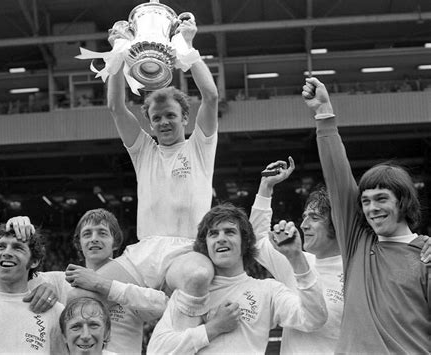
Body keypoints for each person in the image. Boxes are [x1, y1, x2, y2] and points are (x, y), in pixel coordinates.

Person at [78, 12, 219, 330]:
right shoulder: (144, 150)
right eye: (157, 118)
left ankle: (169, 325)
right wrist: (117, 54)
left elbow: (210, 96)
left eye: (170, 115)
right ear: (150, 123)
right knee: (81, 298)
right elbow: (116, 107)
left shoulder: (200, 146)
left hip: (184, 249)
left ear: (185, 117)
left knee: (197, 277)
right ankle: (150, 312)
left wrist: (187, 47)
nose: (164, 122)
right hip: (143, 253)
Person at [302, 77, 430, 354]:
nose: (372, 208)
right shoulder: (358, 243)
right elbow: (337, 176)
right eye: (366, 201)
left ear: (404, 202)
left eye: (382, 199)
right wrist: (324, 115)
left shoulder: (426, 257)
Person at [147, 203, 328, 354]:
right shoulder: (189, 291)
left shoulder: (268, 291)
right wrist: (213, 328)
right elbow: (156, 351)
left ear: (245, 242)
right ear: (206, 244)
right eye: (213, 234)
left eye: (230, 232)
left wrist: (296, 258)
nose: (221, 239)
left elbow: (313, 319)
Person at [9, 209, 168, 354]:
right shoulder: (59, 281)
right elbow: (15, 280)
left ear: (116, 242)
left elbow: (165, 305)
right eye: (87, 234)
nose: (94, 239)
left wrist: (105, 286)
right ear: (79, 243)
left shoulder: (130, 282)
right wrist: (18, 227)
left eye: (102, 233)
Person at [250, 159, 343, 354]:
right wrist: (266, 186)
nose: (304, 225)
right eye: (305, 217)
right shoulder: (296, 260)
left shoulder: (360, 268)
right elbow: (256, 240)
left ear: (338, 224)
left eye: (315, 218)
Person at [0, 224, 66, 354]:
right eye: (1, 247)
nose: (7, 253)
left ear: (34, 261)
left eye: (18, 248)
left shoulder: (54, 312)